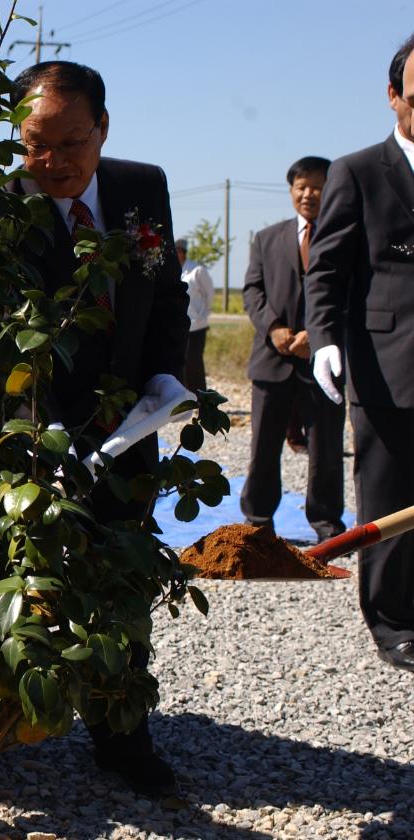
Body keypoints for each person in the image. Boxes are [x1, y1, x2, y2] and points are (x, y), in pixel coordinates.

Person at [13, 60, 190, 798]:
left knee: (121, 582)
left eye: (69, 143)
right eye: (33, 145)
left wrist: (166, 377)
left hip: (128, 426)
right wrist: (36, 441)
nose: (50, 162)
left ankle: (121, 737)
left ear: (102, 129)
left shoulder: (141, 187)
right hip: (34, 438)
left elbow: (163, 292)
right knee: (23, 586)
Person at [305, 34, 414, 673]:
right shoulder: (358, 170)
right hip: (387, 360)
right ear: (393, 95)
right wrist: (324, 340)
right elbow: (326, 270)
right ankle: (394, 621)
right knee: (389, 492)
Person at [242, 156, 345, 542]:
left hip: (325, 359)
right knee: (264, 448)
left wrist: (316, 337)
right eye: (301, 186)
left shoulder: (345, 237)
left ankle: (327, 524)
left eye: (317, 186)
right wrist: (275, 329)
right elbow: (252, 291)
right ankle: (258, 522)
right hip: (272, 360)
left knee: (326, 450)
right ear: (291, 191)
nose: (308, 194)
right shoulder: (267, 238)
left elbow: (352, 294)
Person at [176, 239, 213, 392]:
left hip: (196, 325)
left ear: (183, 252)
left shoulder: (197, 270)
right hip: (179, 325)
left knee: (193, 363)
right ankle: (184, 399)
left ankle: (201, 397)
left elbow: (209, 294)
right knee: (179, 363)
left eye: (178, 250)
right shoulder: (174, 270)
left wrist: (202, 314)